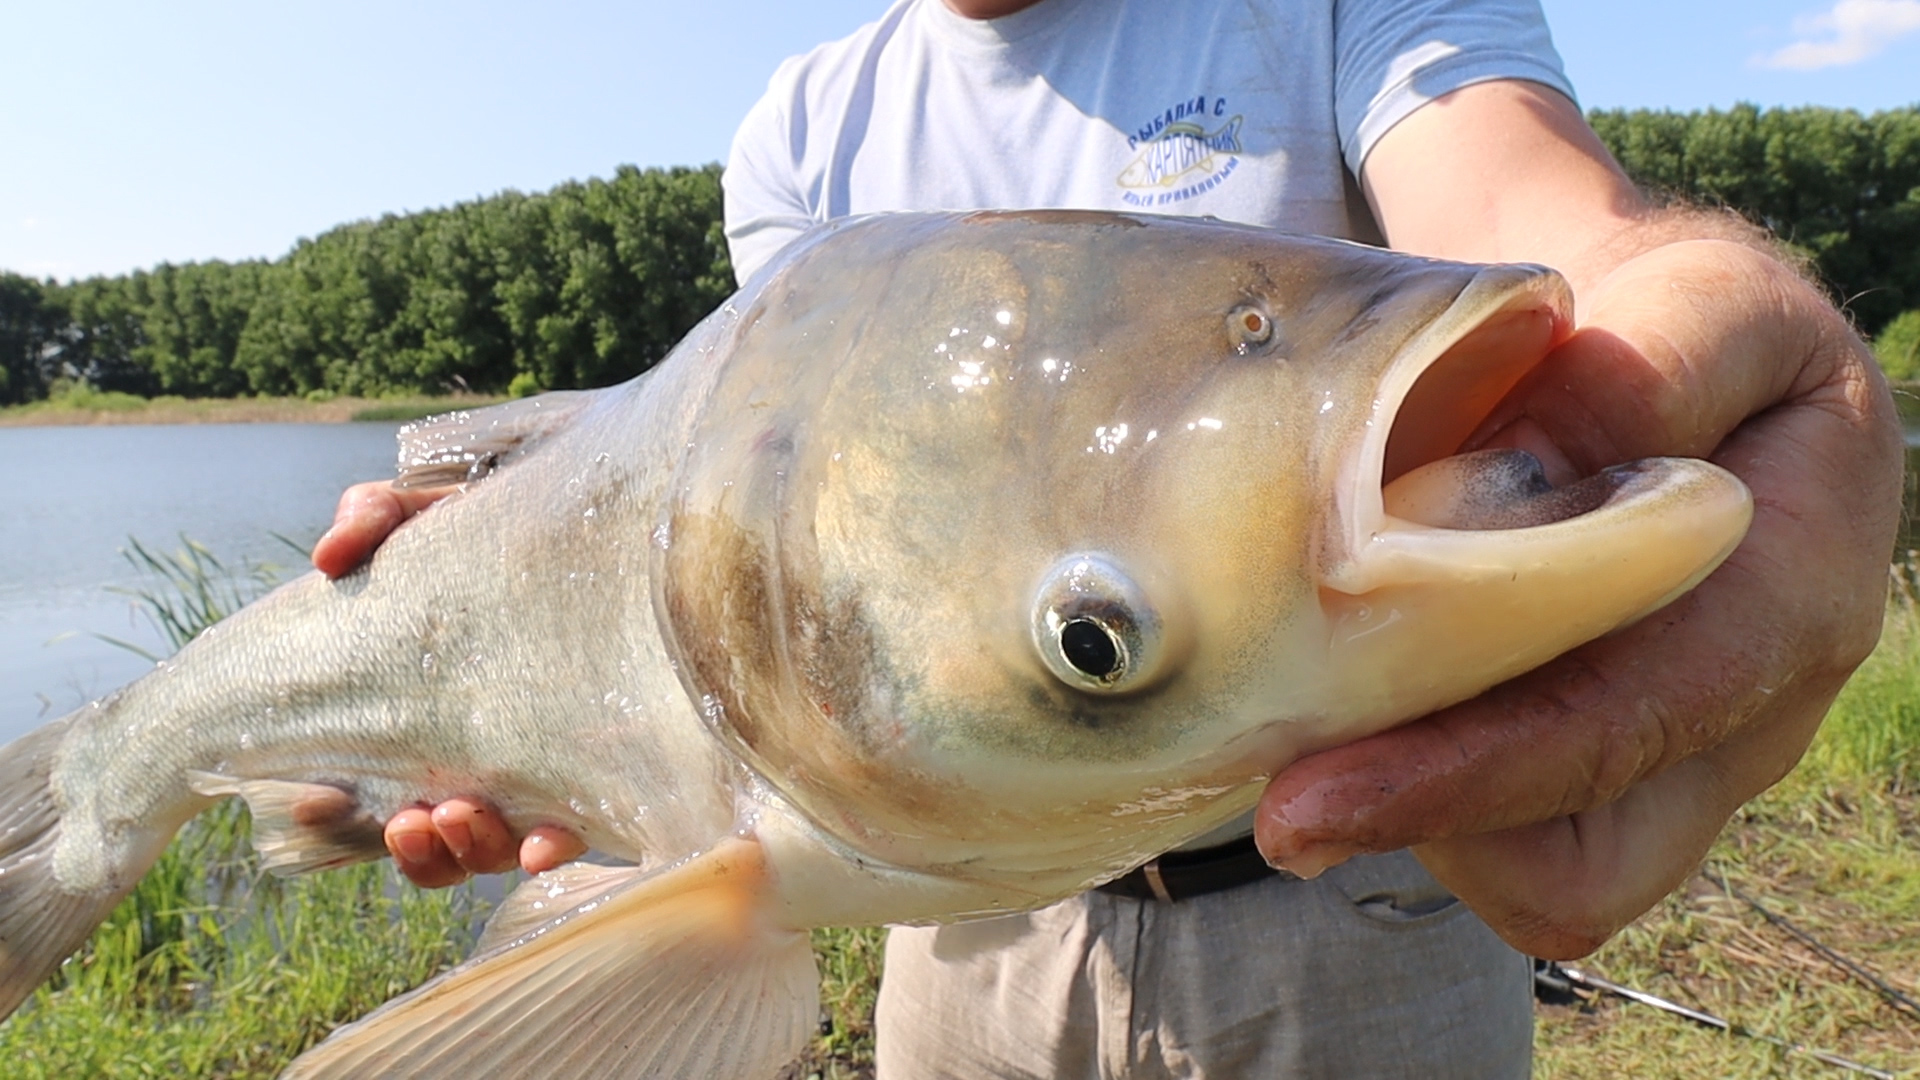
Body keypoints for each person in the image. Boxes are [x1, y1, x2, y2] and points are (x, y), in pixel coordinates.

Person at [312, 0, 1904, 1075]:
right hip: (965, 935)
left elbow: (1547, 234)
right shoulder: (807, 126)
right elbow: (748, 506)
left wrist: (1688, 323)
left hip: (1362, 907)